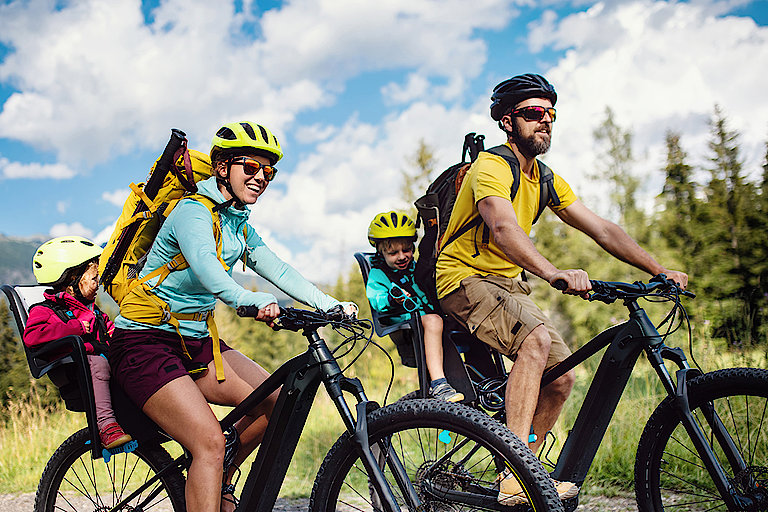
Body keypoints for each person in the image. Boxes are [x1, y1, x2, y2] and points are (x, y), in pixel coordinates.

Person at [435, 73, 688, 505]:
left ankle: (524, 474)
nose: (545, 121)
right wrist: (553, 271)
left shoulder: (546, 178)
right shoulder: (491, 167)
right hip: (463, 278)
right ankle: (516, 474)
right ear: (507, 122)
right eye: (534, 113)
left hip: (508, 286)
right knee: (534, 341)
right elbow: (501, 227)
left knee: (561, 377)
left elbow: (602, 229)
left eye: (551, 114)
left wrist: (659, 269)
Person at [109, 121, 357, 512]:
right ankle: (209, 465)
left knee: (277, 401)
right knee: (208, 441)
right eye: (251, 168)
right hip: (144, 344)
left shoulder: (236, 220)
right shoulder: (192, 213)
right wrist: (249, 300)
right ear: (222, 167)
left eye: (269, 172)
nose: (261, 178)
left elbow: (276, 267)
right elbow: (208, 269)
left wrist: (329, 304)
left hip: (195, 343)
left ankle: (219, 475)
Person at [25, 236, 132, 450]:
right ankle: (106, 426)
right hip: (74, 370)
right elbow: (32, 336)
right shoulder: (44, 311)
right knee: (98, 363)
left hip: (99, 365)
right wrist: (76, 328)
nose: (98, 284)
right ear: (73, 278)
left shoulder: (92, 311)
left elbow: (111, 332)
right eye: (94, 278)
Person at [366, 211, 464, 402]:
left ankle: (479, 377)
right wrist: (392, 299)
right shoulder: (378, 275)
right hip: (405, 323)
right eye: (393, 253)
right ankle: (439, 384)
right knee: (434, 321)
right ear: (380, 252)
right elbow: (376, 299)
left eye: (407, 250)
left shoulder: (416, 268)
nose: (402, 257)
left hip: (426, 318)